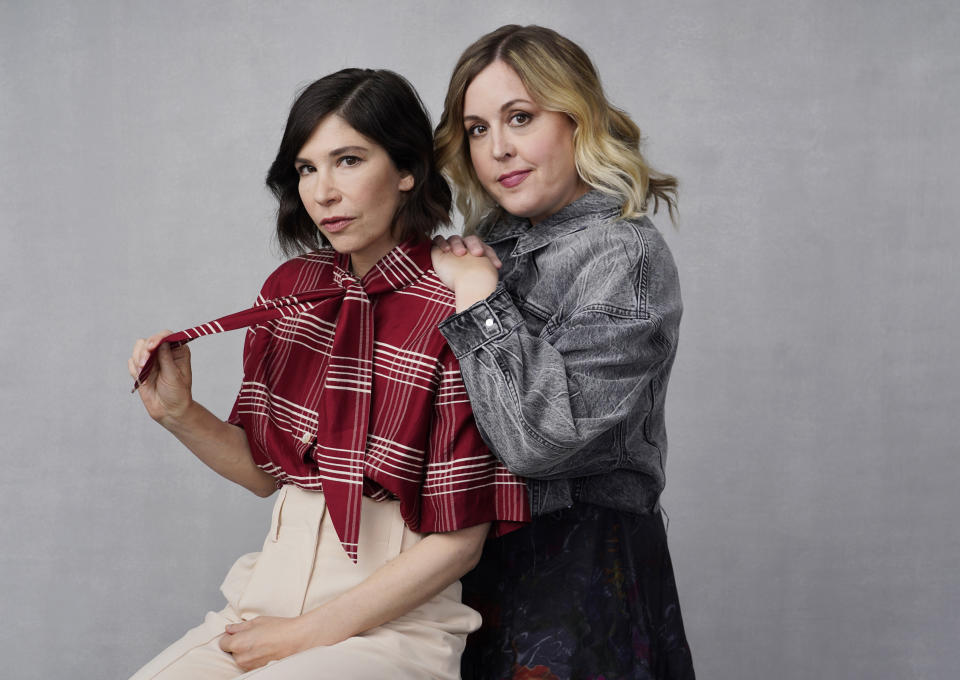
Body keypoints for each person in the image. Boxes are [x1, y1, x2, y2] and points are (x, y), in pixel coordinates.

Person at [126, 68, 529, 680]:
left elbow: (459, 542)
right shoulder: (291, 292)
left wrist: (301, 636)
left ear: (406, 170)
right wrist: (181, 415)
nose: (323, 192)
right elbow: (267, 475)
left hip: (392, 627)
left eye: (347, 160)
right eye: (307, 168)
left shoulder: (460, 300)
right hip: (262, 601)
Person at [430, 25, 696, 679]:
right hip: (468, 566)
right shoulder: (490, 243)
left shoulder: (623, 253)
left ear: (577, 118)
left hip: (580, 578)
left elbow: (540, 439)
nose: (498, 149)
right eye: (477, 128)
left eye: (520, 117)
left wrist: (476, 294)